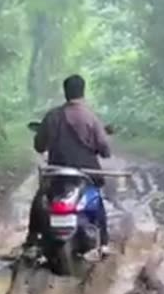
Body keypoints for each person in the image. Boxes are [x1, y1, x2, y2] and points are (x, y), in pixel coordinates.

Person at [24, 74, 112, 258]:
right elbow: (104, 148)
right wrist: (101, 151)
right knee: (96, 199)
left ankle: (32, 240)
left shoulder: (52, 116)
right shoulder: (91, 118)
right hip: (85, 173)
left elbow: (39, 145)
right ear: (83, 92)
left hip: (57, 173)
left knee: (40, 199)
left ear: (65, 93)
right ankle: (103, 242)